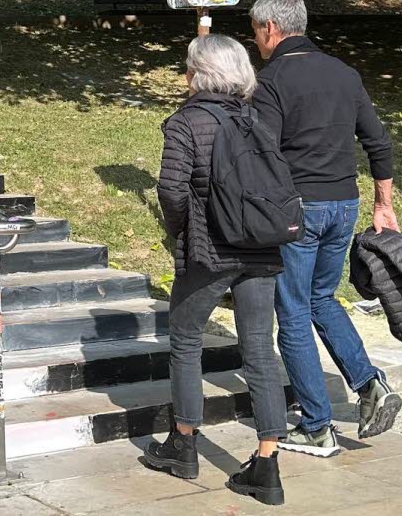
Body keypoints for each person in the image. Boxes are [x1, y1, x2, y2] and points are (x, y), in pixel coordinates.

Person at [250, 0, 401, 457]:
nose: (255, 40)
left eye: (255, 31)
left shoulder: (271, 79)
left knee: (292, 312)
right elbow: (378, 143)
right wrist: (383, 204)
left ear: (271, 29)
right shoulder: (344, 72)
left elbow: (263, 152)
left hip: (299, 209)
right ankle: (370, 383)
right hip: (345, 203)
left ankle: (316, 426)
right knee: (322, 298)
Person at [148, 34, 288, 506]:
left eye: (188, 66)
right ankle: (266, 463)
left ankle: (183, 444)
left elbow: (171, 190)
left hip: (209, 252)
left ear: (198, 73)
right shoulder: (257, 119)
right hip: (262, 249)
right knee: (260, 353)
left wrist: (179, 232)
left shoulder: (186, 122)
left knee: (186, 341)